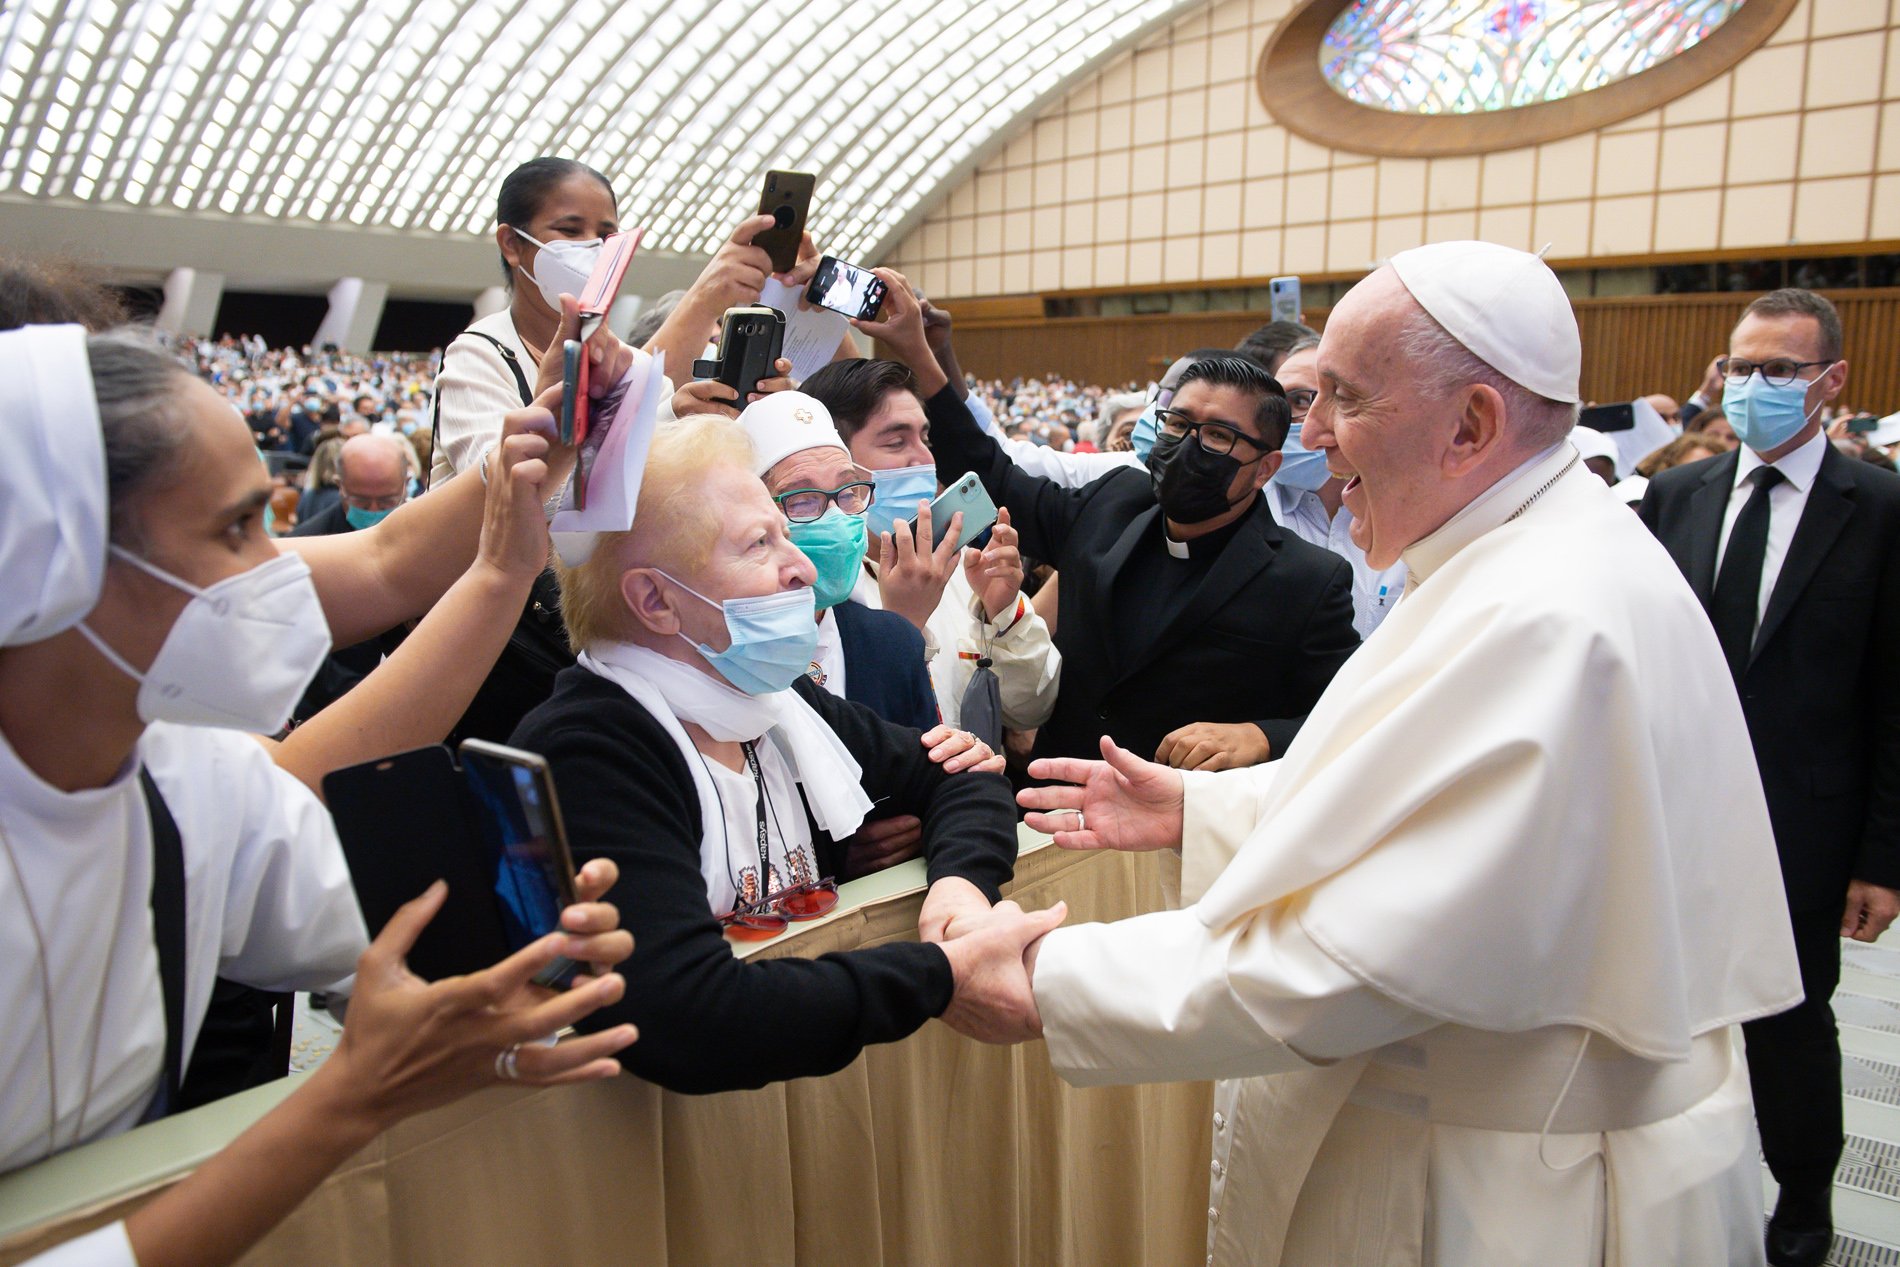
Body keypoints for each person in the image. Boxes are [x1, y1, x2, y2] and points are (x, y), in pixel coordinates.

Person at [966, 242, 1800, 1265]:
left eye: (1342, 402)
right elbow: (1425, 807)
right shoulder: (1521, 554)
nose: (1309, 438)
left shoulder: (1542, 615)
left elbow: (1355, 957)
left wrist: (1046, 978)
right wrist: (1207, 808)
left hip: (1506, 1191)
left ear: (1470, 425)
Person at [0, 324, 636, 1267]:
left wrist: (507, 971)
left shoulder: (189, 785)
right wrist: (349, 1099)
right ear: (53, 564)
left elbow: (376, 938)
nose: (281, 568)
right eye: (235, 529)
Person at [511, 413, 1060, 1093]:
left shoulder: (777, 701)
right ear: (655, 598)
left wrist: (959, 891)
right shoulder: (589, 753)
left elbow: (964, 778)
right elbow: (689, 1016)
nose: (800, 563)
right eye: (759, 542)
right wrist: (941, 973)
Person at [1640, 287, 1900, 1266]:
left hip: (1805, 823)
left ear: (1830, 382)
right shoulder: (1676, 497)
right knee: (1663, 1006)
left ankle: (1800, 1206)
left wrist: (1882, 854)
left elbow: (1894, 699)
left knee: (1789, 1027)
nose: (1752, 386)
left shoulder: (1878, 511)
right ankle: (1671, 1191)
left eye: (1777, 370)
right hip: (1671, 814)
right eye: (1740, 366)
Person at [866, 274, 1358, 773]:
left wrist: (1262, 736)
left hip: (1172, 829)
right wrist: (917, 351)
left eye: (1216, 436)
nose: (1188, 447)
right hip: (1050, 801)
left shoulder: (1309, 581)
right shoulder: (1113, 501)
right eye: (1178, 424)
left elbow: (1350, 719)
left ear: (1265, 467)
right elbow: (988, 468)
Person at [802, 356, 1062, 739]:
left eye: (925, 439)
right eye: (896, 442)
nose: (924, 459)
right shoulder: (815, 586)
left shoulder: (956, 567)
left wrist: (1003, 616)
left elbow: (1029, 711)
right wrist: (901, 626)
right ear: (835, 461)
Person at [738, 390, 941, 732]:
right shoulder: (722, 652)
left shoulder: (893, 643)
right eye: (802, 500)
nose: (834, 517)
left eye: (848, 493)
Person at [1264, 338, 1406, 635]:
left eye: (1302, 400)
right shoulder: (1243, 506)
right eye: (1278, 404)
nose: (1308, 425)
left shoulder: (1412, 517)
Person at [290, 432, 409, 536]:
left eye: (386, 501)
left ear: (405, 485)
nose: (374, 510)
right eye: (362, 501)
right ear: (340, 486)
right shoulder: (308, 542)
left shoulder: (422, 537)